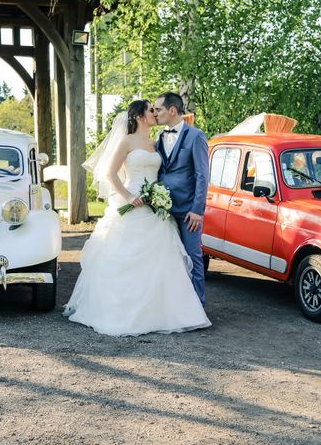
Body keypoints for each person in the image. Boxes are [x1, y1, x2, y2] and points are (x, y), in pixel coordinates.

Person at [63, 100, 211, 336]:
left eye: (157, 109)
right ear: (140, 116)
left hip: (155, 207)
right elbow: (110, 173)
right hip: (132, 203)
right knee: (124, 256)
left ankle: (167, 311)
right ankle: (121, 310)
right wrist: (128, 196)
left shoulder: (156, 142)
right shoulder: (127, 141)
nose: (155, 113)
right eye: (151, 110)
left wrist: (159, 196)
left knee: (162, 261)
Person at [154, 92, 209, 306]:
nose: (155, 113)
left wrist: (197, 209)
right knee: (168, 258)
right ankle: (173, 306)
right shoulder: (158, 137)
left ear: (172, 110)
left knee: (193, 258)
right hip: (162, 210)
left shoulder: (196, 136)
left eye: (158, 109)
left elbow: (202, 175)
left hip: (188, 211)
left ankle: (197, 308)